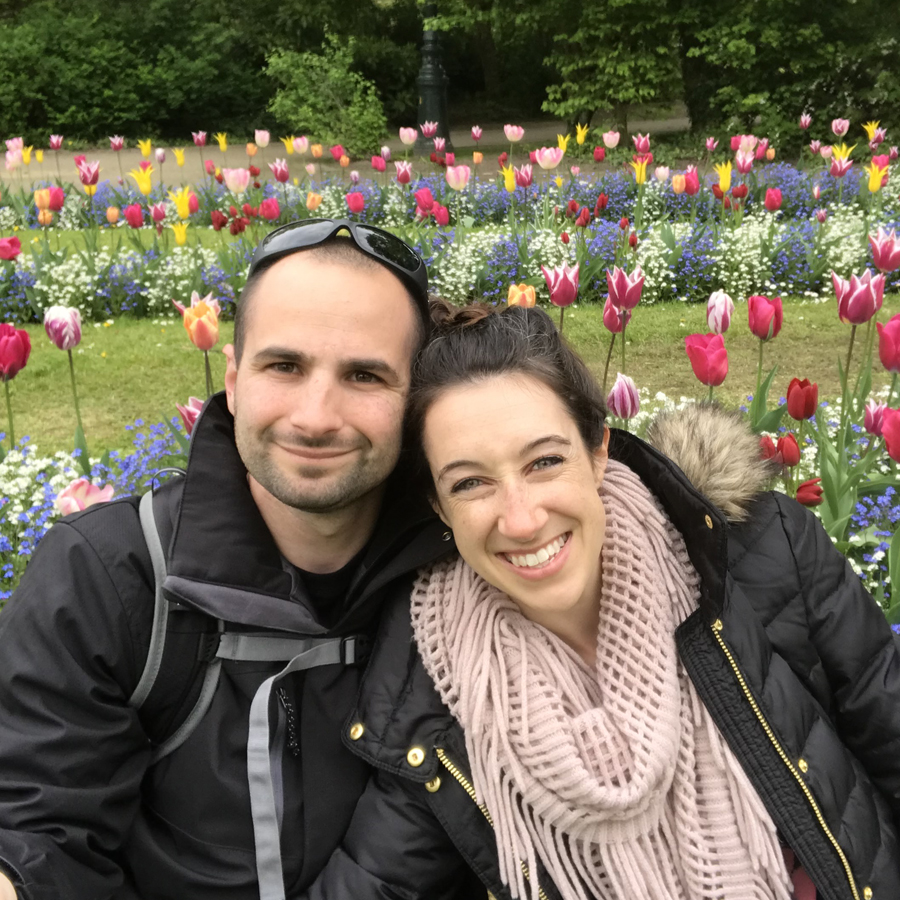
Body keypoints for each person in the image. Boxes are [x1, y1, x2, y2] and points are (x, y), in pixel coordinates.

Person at [304, 302, 900, 900]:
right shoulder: (435, 686)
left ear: (597, 453)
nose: (522, 518)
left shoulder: (761, 556)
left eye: (544, 462)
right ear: (438, 506)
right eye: (469, 483)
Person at [0, 221, 481, 900]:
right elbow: (35, 834)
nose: (315, 417)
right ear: (230, 378)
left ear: (416, 399)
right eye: (283, 366)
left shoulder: (466, 576)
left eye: (365, 375)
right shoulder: (108, 579)